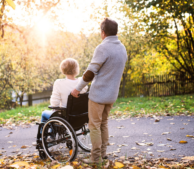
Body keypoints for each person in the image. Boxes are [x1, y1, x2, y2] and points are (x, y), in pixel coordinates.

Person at [71, 18, 127, 164]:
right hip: (112, 95)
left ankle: (96, 159)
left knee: (94, 125)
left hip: (99, 95)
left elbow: (90, 72)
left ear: (103, 32)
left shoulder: (102, 48)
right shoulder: (122, 48)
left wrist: (77, 89)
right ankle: (103, 154)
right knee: (104, 123)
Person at [32, 58, 88, 146]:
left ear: (63, 70)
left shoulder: (59, 83)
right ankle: (52, 135)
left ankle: (45, 139)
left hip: (66, 117)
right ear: (76, 69)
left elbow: (55, 104)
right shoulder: (81, 83)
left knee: (44, 114)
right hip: (80, 117)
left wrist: (54, 106)